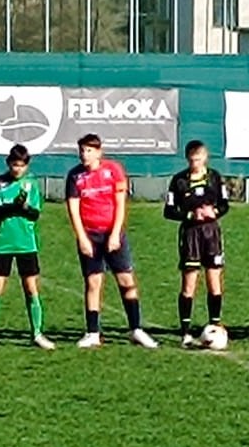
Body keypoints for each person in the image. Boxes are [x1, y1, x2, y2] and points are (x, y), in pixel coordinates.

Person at [66, 134, 155, 349]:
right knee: (93, 282)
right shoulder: (74, 176)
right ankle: (92, 332)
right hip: (90, 235)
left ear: (99, 152)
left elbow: (120, 204)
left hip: (112, 233)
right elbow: (73, 209)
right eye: (82, 151)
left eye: (89, 150)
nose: (84, 155)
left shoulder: (113, 170)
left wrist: (116, 233)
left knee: (126, 281)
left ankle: (136, 329)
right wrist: (82, 238)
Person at [0, 144, 55, 352]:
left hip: (26, 243)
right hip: (3, 243)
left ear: (27, 165)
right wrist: (12, 206)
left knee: (31, 287)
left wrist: (24, 207)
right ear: (8, 164)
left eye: (21, 165)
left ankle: (37, 333)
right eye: (14, 165)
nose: (17, 169)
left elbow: (35, 214)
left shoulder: (32, 184)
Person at [164, 140, 229, 348]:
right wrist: (191, 214)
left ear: (206, 158)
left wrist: (215, 212)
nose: (196, 163)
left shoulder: (215, 178)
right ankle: (185, 332)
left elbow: (225, 204)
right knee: (189, 282)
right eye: (192, 160)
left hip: (211, 233)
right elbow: (169, 210)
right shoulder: (179, 181)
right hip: (191, 234)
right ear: (187, 159)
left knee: (214, 279)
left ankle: (215, 325)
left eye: (199, 159)